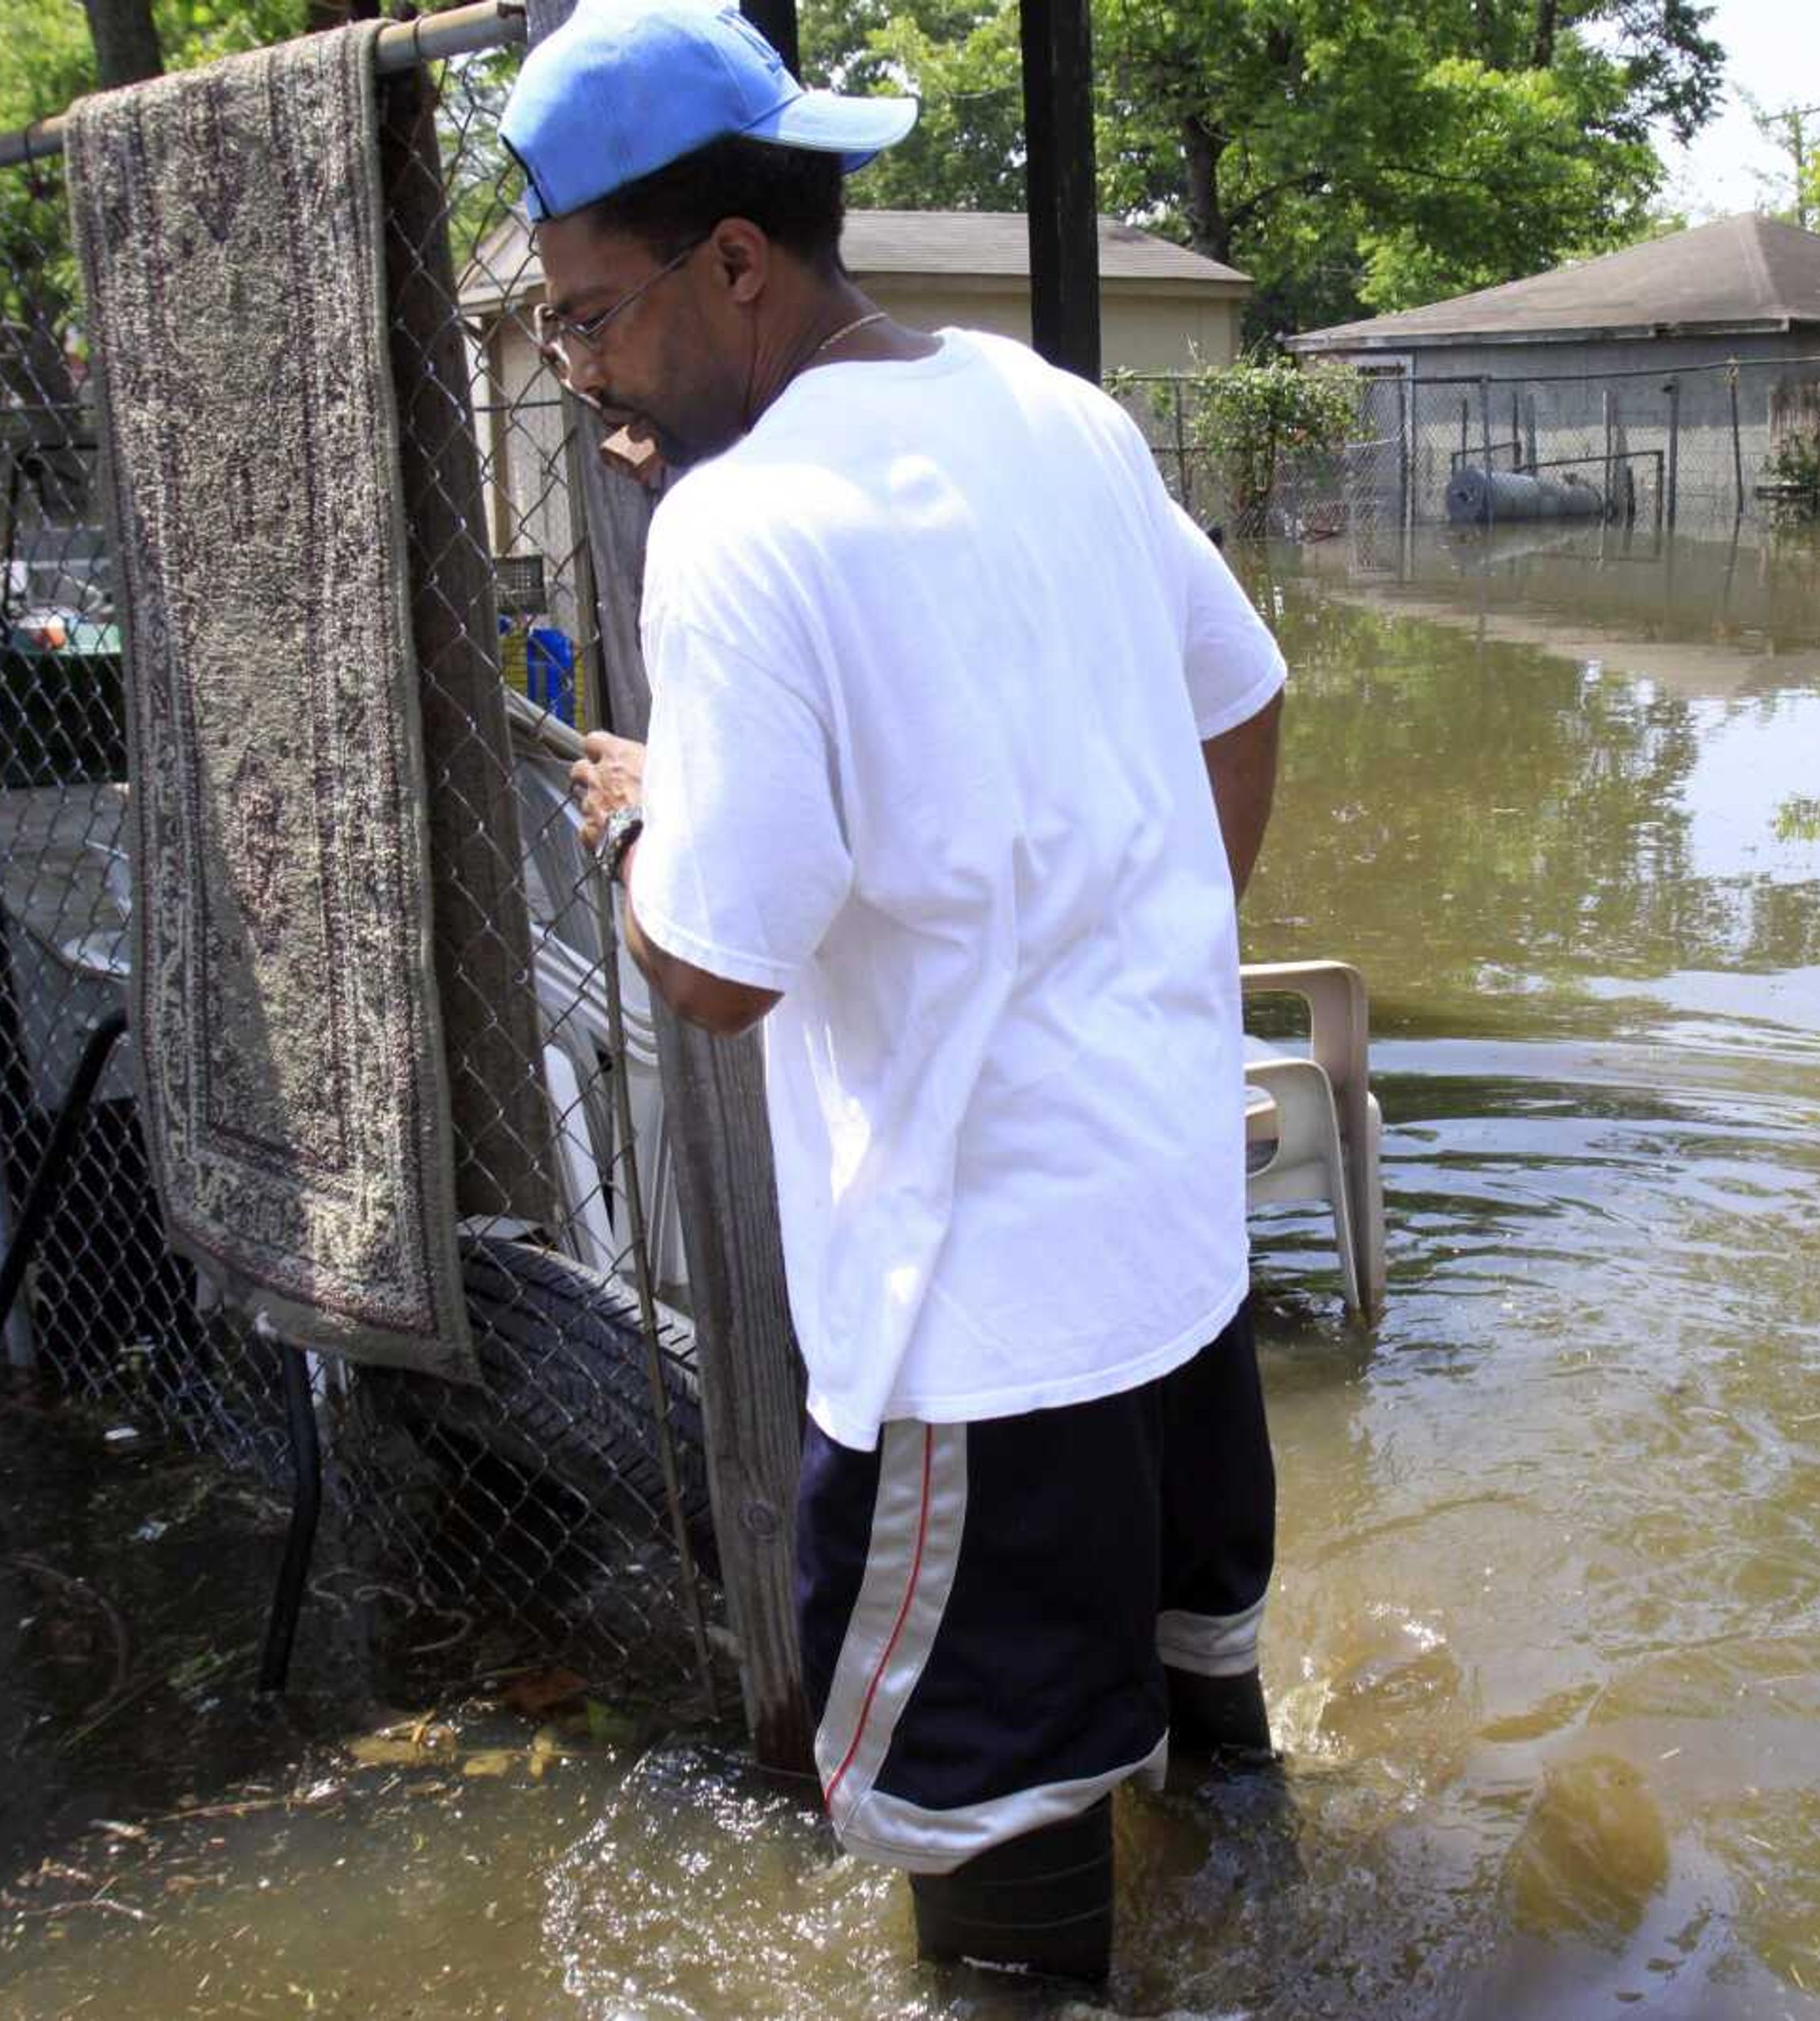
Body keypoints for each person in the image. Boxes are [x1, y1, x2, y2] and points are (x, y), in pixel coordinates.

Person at [502, 0, 1290, 1985]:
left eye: (590, 320)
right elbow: (1243, 702)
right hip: (1176, 1227)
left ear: (736, 265)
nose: (583, 368)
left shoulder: (736, 529)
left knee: (998, 1880)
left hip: (982, 1328)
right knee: (1217, 1741)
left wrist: (634, 817)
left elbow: (716, 970)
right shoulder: (1052, 408)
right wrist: (1134, 986)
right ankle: (1273, 1922)